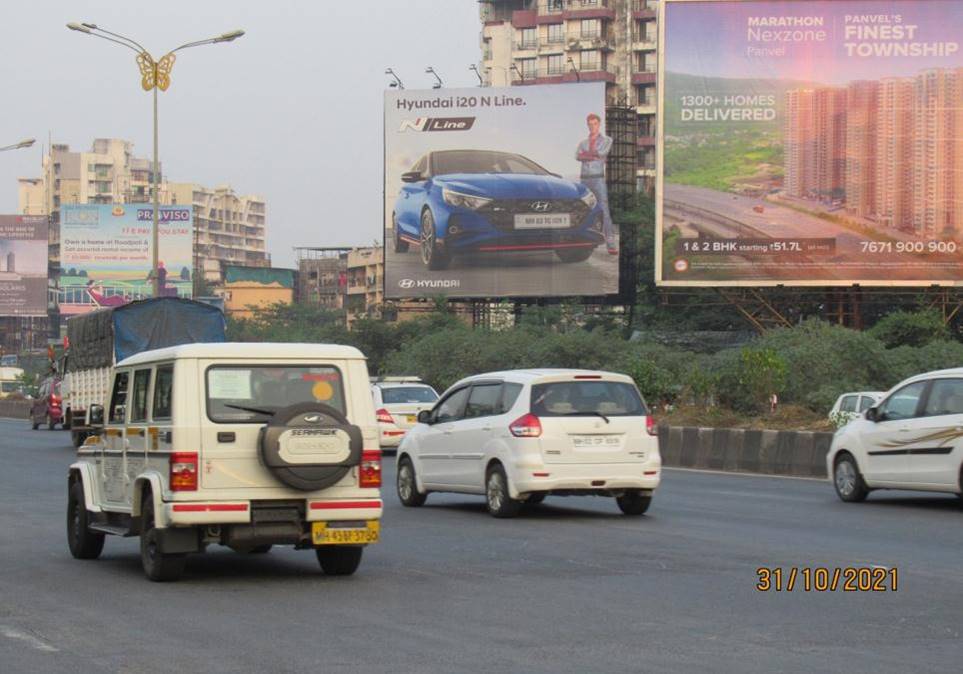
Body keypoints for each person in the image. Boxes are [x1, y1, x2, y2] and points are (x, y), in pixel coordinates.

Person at [576, 113, 617, 255]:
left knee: (604, 209)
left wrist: (588, 154)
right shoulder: (582, 142)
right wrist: (591, 154)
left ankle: (610, 242)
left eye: (594, 124)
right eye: (589, 124)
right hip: (584, 178)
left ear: (599, 124)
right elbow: (577, 156)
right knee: (584, 208)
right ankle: (583, 239)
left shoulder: (607, 140)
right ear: (587, 125)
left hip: (598, 178)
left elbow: (601, 152)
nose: (592, 126)